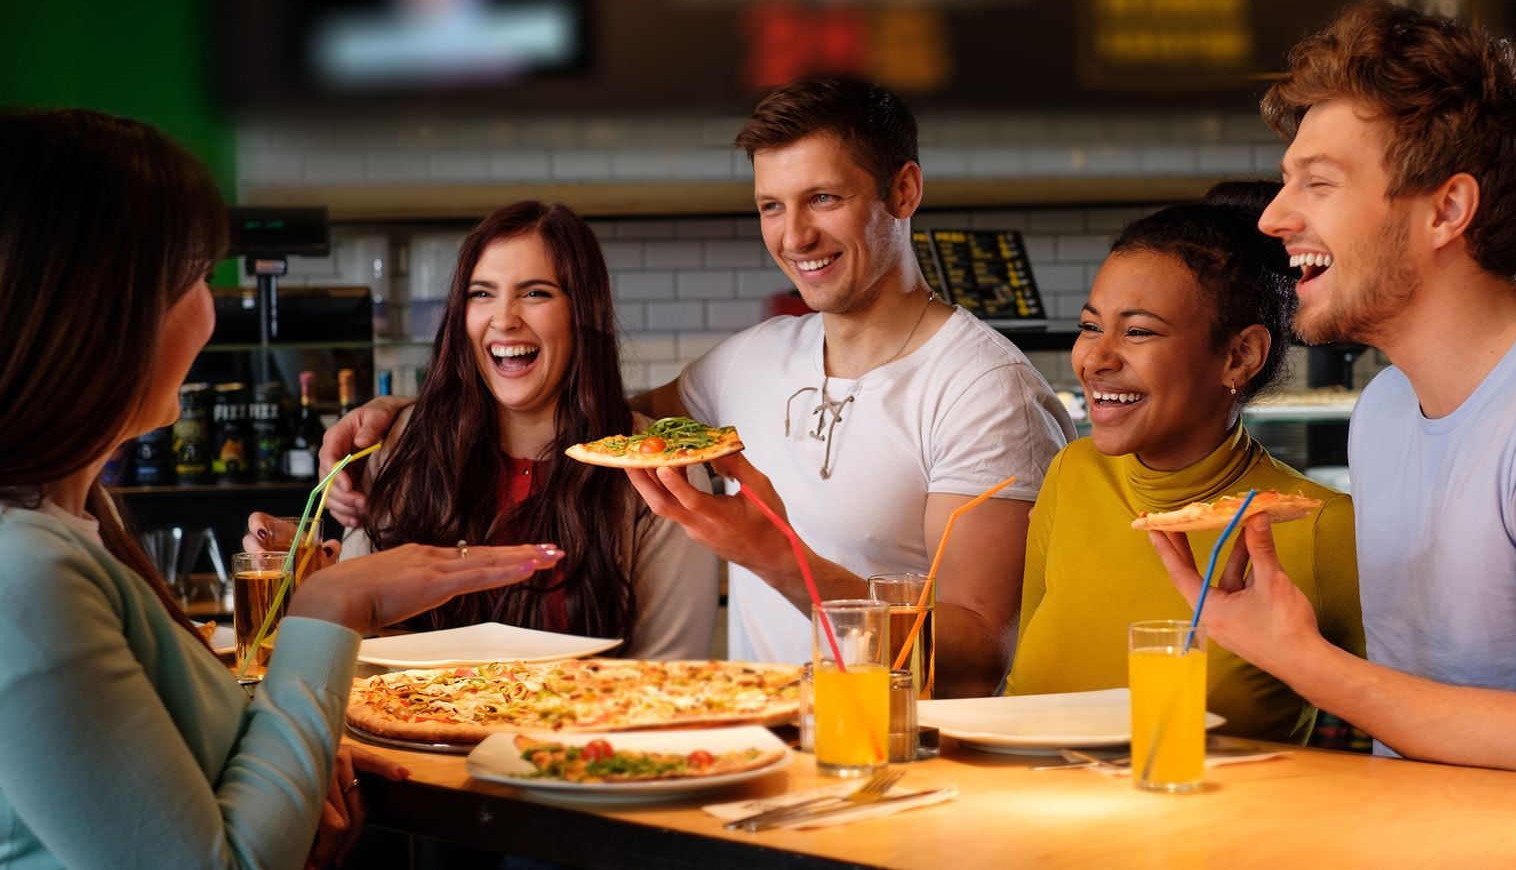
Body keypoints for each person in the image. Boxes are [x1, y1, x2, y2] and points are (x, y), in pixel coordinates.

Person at [321, 76, 1073, 696]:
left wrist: (779, 557)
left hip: (911, 773)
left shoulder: (985, 389)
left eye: (824, 199)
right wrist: (404, 416)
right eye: (771, 206)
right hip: (769, 759)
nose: (794, 236)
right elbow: (594, 416)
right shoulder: (749, 363)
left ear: (904, 190)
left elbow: (977, 656)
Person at [1149, 0, 1516, 790]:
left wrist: (1304, 662)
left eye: (1317, 183)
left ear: (1447, 210)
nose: (1277, 216)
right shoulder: (1385, 412)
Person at [0, 107, 562, 869]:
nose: (211, 309)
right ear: (103, 309)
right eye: (197, 277)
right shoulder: (24, 575)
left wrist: (287, 758)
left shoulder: (71, 526)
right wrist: (330, 607)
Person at [258, 201, 718, 658]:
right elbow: (345, 644)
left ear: (583, 314)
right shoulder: (399, 446)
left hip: (577, 730)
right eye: (481, 294)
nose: (503, 318)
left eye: (535, 293)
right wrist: (301, 576)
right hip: (404, 726)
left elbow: (666, 683)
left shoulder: (658, 475)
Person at [1006, 186, 1364, 742]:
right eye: (1090, 326)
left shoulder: (1321, 527)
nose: (1096, 359)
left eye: (1139, 332)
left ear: (1240, 356)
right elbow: (1018, 701)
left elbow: (1416, 729)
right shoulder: (1071, 474)